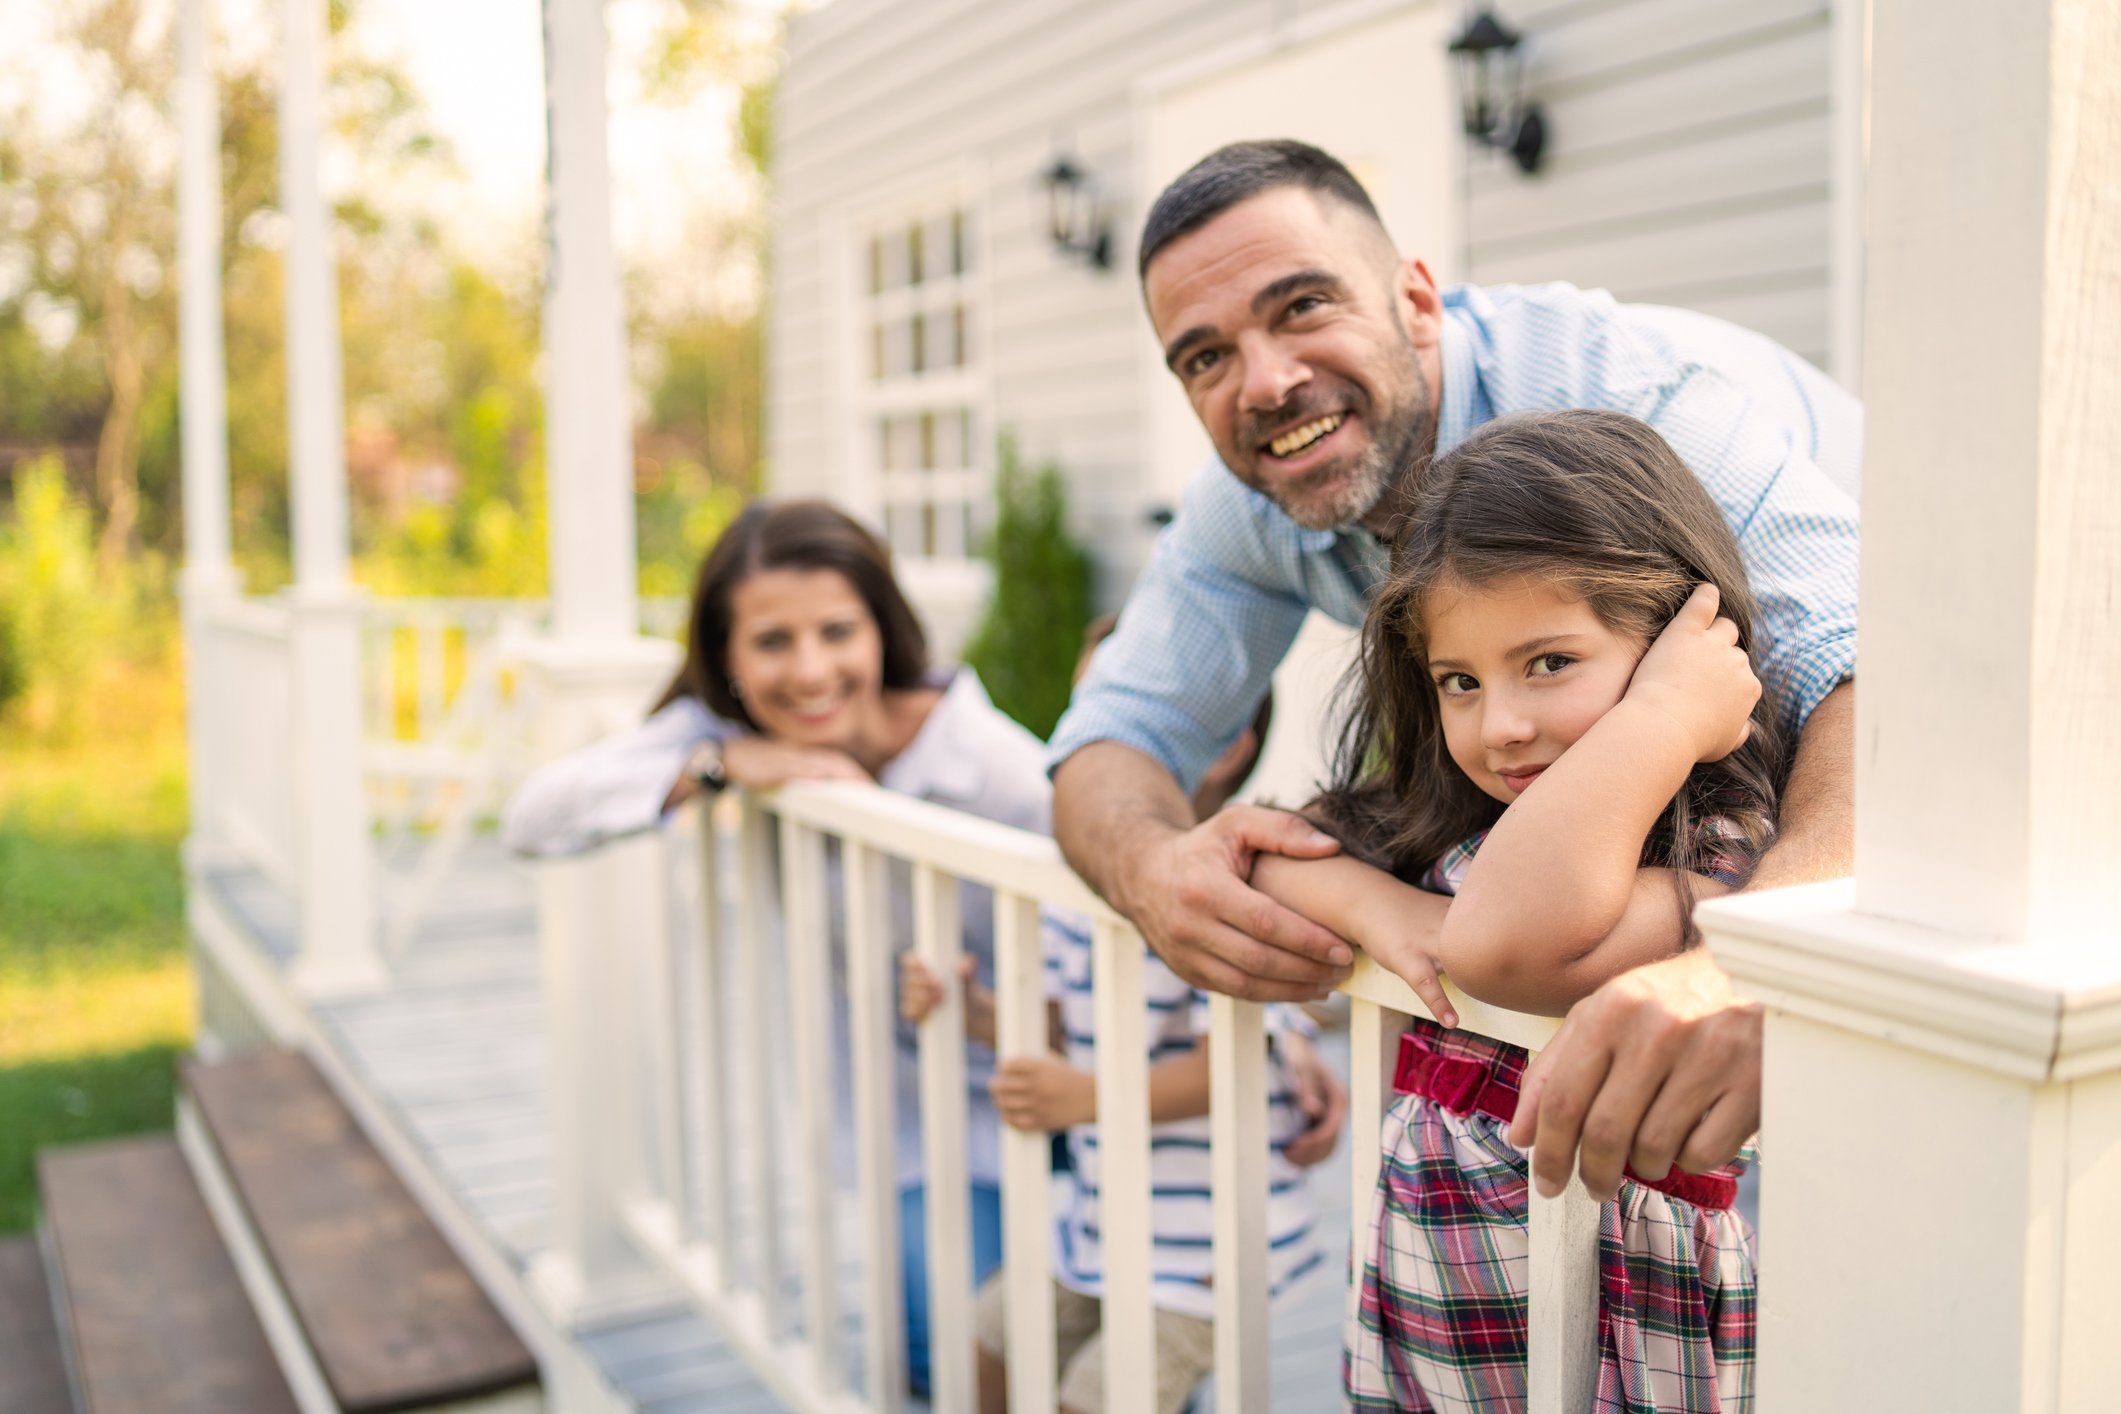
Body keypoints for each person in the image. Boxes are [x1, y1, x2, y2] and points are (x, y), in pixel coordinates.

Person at [1046, 138, 1859, 1200]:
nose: (1267, 383)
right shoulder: (1248, 497)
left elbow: (1876, 688)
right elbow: (1112, 739)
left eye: (1301, 307)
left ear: (1416, 301)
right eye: (1204, 356)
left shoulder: (1629, 400)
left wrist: (1761, 973)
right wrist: (1153, 871)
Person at [1249, 410, 1774, 1410]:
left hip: (1611, 1319)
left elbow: (1494, 944)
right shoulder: (1461, 834)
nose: (1503, 726)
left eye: (1547, 663)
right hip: (1437, 1306)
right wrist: (1377, 904)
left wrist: (1665, 715)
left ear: (1679, 647)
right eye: (1460, 680)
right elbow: (1271, 853)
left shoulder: (1711, 861)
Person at [501, 499, 1049, 1396]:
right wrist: (720, 766)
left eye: (837, 631)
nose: (809, 671)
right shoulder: (732, 737)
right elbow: (535, 819)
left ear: (882, 627)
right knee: (933, 1353)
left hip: (1075, 1097)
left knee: (1083, 1360)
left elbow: (1119, 896)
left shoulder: (985, 762)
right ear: (725, 657)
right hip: (922, 1128)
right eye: (771, 643)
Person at [902, 615, 1337, 1414]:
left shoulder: (1240, 879)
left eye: (1113, 705)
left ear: (1228, 739)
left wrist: (1084, 1098)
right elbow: (1076, 1024)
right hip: (1104, 1218)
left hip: (1206, 1246)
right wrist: (977, 1013)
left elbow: (1232, 1068)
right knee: (989, 1341)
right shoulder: (1090, 879)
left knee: (1099, 1397)